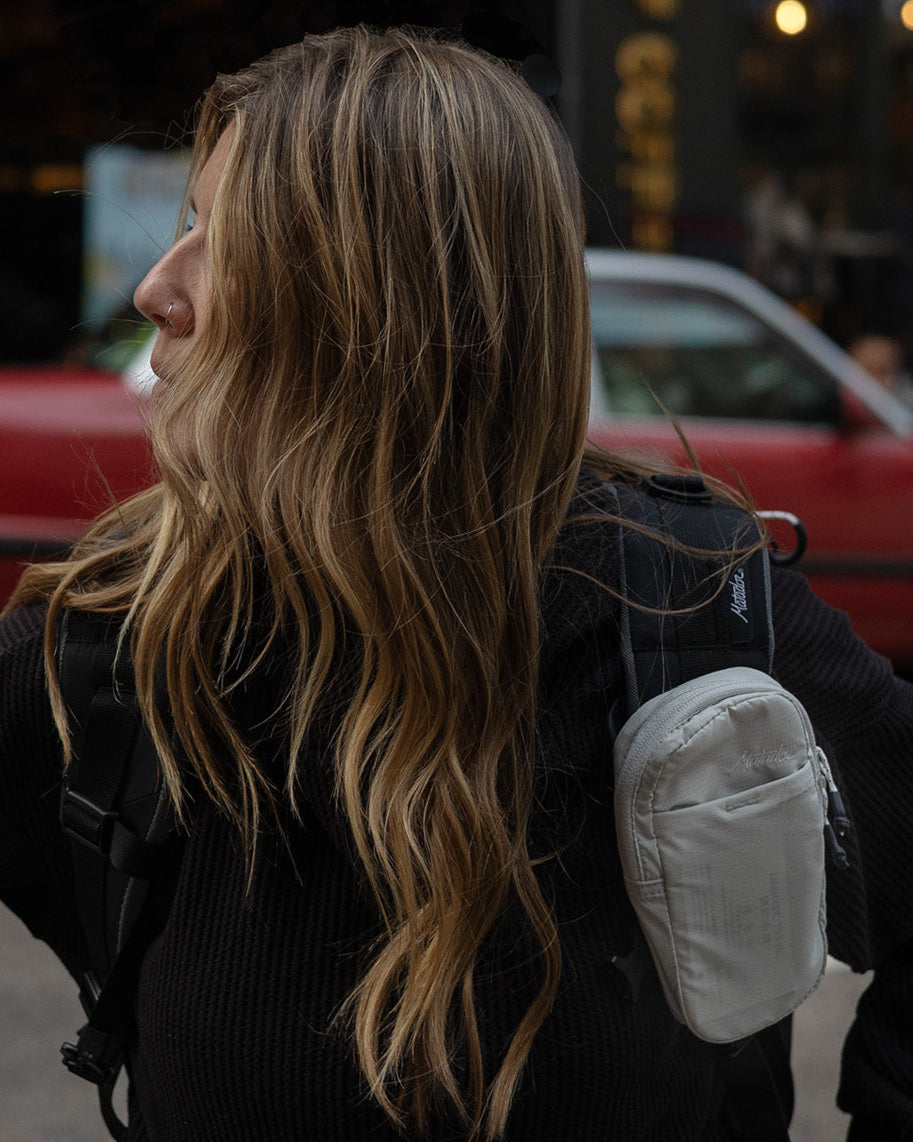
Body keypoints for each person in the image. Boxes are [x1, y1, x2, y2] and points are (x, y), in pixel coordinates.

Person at [1, 24, 913, 1142]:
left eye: (218, 236)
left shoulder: (685, 610)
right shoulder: (114, 638)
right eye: (181, 223)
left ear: (369, 303)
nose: (156, 290)